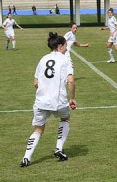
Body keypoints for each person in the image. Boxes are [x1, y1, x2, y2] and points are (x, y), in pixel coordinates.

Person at [20, 32, 76, 167]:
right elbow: (71, 80)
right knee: (65, 119)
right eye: (66, 46)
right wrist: (72, 98)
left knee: (38, 129)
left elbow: (35, 83)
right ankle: (58, 148)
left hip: (41, 100)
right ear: (60, 46)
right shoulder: (65, 59)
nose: (67, 49)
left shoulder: (43, 59)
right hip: (58, 100)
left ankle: (26, 158)